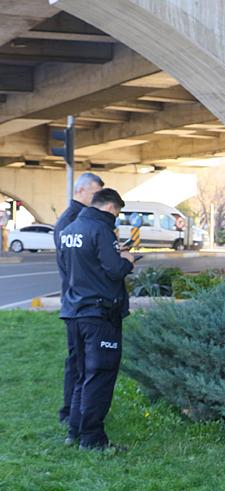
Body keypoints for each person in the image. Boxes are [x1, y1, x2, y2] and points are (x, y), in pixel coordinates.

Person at [58, 188, 135, 450]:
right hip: (100, 314)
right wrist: (128, 260)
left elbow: (72, 268)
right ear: (111, 207)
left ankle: (75, 431)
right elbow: (114, 270)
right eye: (117, 213)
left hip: (74, 312)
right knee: (100, 375)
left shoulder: (69, 230)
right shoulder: (101, 229)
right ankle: (92, 438)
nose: (116, 217)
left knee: (82, 375)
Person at [53, 173, 105, 425]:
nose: (99, 199)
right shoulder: (71, 221)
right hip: (78, 302)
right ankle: (69, 413)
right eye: (95, 194)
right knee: (77, 361)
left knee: (82, 360)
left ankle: (79, 411)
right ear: (80, 191)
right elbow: (73, 264)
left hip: (77, 300)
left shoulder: (79, 219)